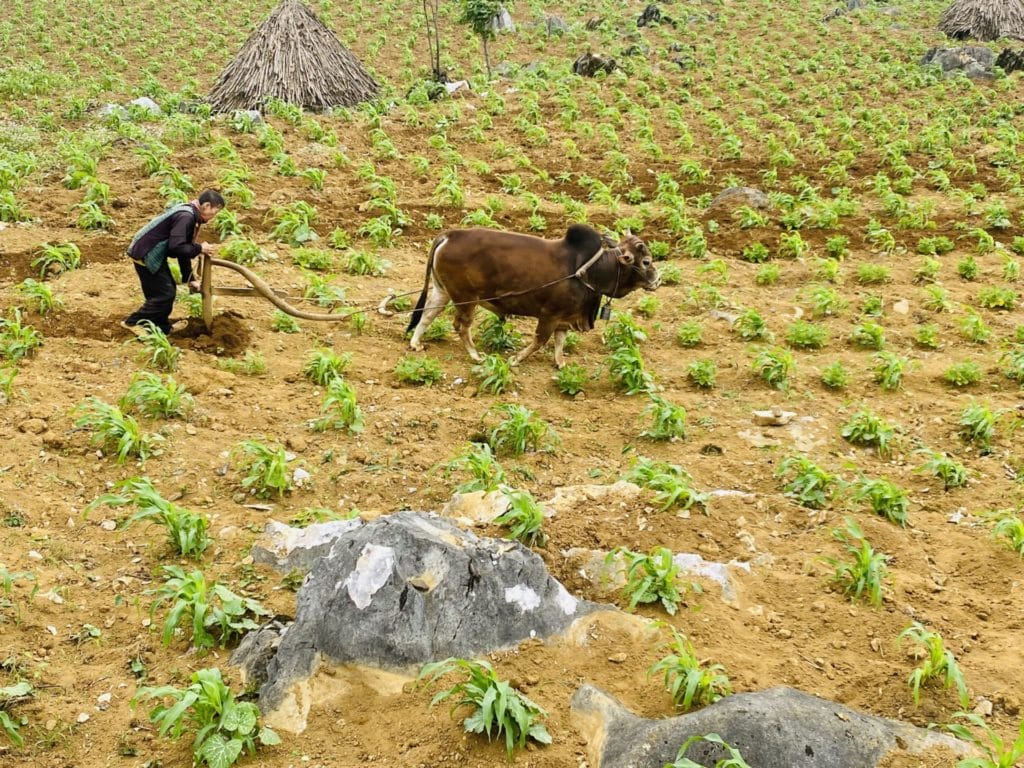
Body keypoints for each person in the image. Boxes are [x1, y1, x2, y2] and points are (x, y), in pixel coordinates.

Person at [121, 189, 225, 336]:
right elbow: (177, 247)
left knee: (164, 291)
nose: (214, 215)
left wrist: (190, 279)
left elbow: (182, 250)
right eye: (215, 211)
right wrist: (199, 248)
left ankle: (162, 328)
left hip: (149, 251)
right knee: (165, 294)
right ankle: (132, 322)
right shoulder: (186, 217)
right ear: (206, 205)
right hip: (147, 254)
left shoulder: (191, 214)